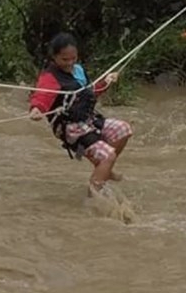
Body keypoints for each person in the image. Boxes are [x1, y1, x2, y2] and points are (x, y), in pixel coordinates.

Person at [28, 33, 132, 192]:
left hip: (89, 120)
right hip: (71, 129)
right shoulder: (49, 77)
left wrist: (106, 81)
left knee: (123, 129)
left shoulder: (78, 70)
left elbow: (89, 92)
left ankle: (104, 170)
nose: (69, 63)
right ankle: (94, 198)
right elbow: (42, 97)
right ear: (54, 57)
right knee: (107, 156)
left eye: (73, 58)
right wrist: (36, 110)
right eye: (64, 59)